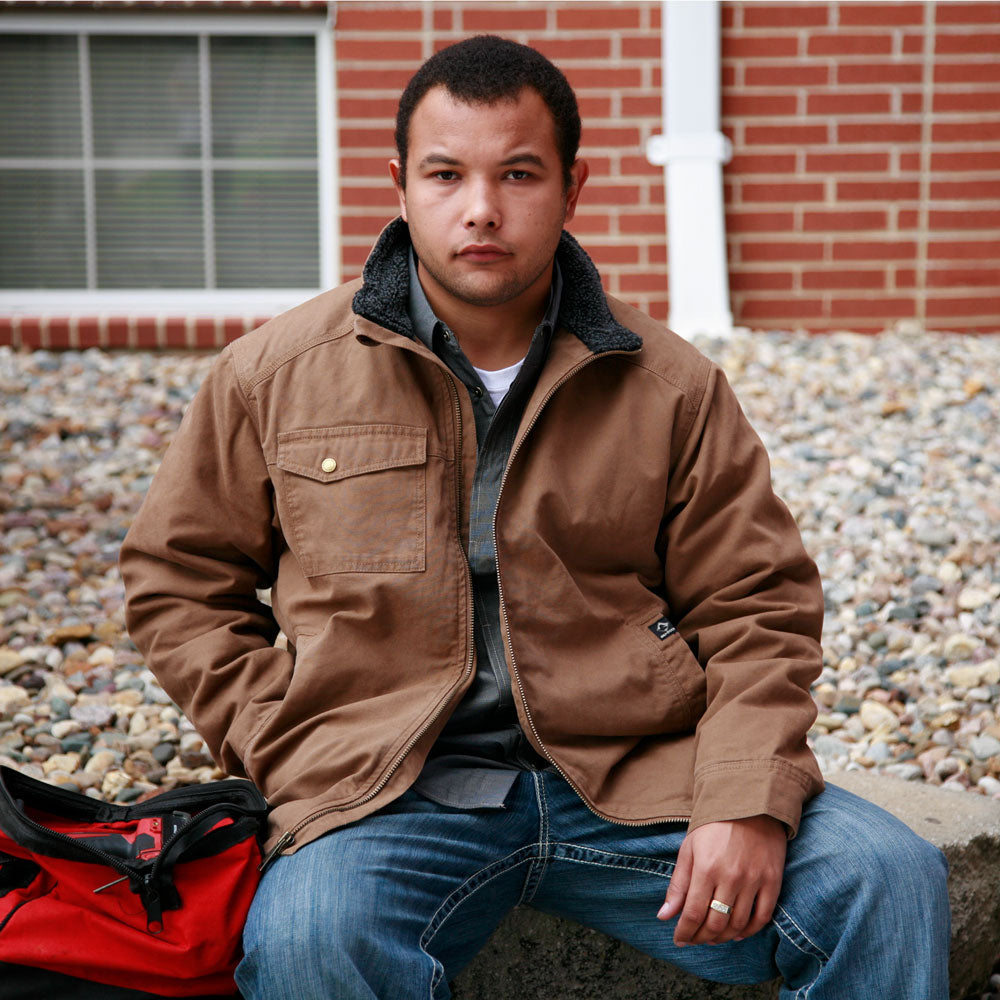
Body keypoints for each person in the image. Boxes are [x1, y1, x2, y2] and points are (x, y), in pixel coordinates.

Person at [120, 35, 949, 1000]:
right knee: (310, 942)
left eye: (518, 173)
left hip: (640, 777)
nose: (481, 209)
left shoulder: (668, 384)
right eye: (445, 174)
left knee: (888, 876)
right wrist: (286, 735)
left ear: (572, 186)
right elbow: (180, 581)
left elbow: (758, 604)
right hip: (387, 794)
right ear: (398, 184)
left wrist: (746, 797)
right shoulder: (275, 375)